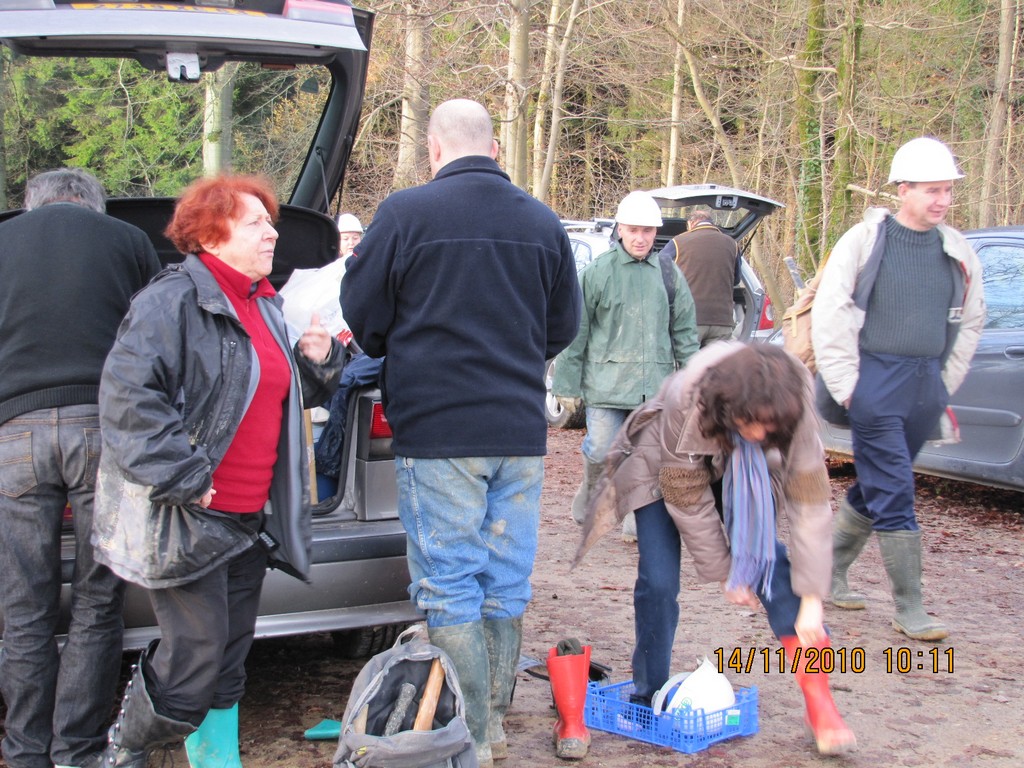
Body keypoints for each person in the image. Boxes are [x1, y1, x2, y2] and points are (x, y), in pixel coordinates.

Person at [340, 98, 581, 766]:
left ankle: (472, 735)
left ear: (433, 148)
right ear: (495, 148)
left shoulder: (404, 214)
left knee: (449, 585)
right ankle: (491, 725)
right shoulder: (542, 222)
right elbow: (563, 325)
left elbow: (362, 313)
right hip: (516, 430)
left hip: (438, 430)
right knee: (504, 582)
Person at [92, 174, 343, 767]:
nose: (271, 233)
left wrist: (317, 363)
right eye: (256, 223)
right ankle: (124, 751)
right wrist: (184, 475)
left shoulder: (263, 303)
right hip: (189, 517)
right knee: (195, 657)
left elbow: (267, 395)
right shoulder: (172, 300)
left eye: (270, 222)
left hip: (248, 521)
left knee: (228, 656)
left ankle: (217, 762)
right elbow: (128, 399)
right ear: (211, 234)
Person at [575, 341, 857, 756]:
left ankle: (820, 703)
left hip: (743, 469)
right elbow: (686, 495)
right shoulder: (688, 399)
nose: (758, 432)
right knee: (658, 580)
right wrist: (727, 571)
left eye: (767, 426)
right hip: (664, 465)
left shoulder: (794, 404)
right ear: (729, 408)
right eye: (750, 422)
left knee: (771, 564)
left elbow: (810, 504)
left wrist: (813, 600)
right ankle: (648, 694)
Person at [0, 168, 161, 768]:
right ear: (95, 205)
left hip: (14, 431)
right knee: (98, 599)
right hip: (103, 427)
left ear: (31, 205)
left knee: (24, 606)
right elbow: (156, 335)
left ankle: (24, 751)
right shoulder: (128, 241)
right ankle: (77, 749)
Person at [812, 136, 985, 641]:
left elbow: (972, 319)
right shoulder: (864, 241)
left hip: (925, 385)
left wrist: (944, 383)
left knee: (880, 482)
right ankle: (910, 606)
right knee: (896, 488)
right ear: (903, 189)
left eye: (948, 190)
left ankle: (826, 572)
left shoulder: (957, 249)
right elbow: (831, 312)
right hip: (874, 382)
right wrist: (848, 386)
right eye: (933, 190)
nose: (943, 200)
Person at [551, 190, 699, 534]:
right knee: (601, 451)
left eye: (647, 231)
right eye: (633, 230)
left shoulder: (669, 275)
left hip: (655, 386)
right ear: (620, 230)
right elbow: (576, 333)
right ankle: (593, 489)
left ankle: (636, 517)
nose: (640, 238)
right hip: (606, 385)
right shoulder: (597, 273)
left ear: (655, 232)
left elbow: (685, 333)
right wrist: (566, 384)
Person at [658, 208, 740, 347]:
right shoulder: (732, 244)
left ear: (691, 223)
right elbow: (736, 279)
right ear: (712, 223)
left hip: (690, 319)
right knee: (716, 361)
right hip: (722, 320)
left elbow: (659, 269)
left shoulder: (678, 242)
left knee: (688, 360)